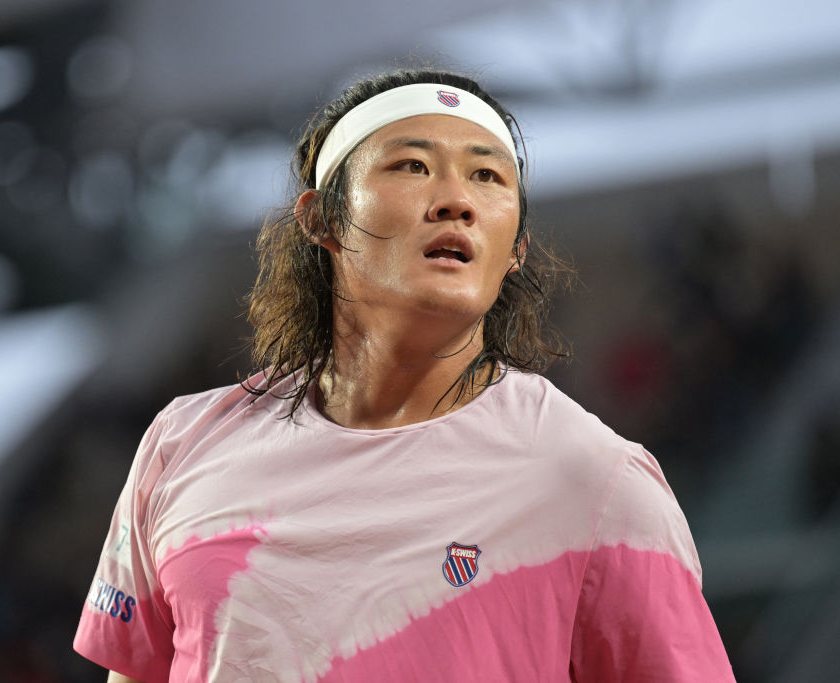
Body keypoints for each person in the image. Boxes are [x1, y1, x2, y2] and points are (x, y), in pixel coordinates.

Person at [73, 68, 735, 682]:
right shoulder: (182, 444)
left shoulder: (596, 481)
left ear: (516, 250)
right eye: (413, 165)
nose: (457, 201)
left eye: (487, 176)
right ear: (322, 218)